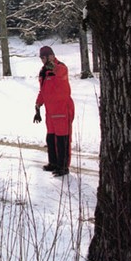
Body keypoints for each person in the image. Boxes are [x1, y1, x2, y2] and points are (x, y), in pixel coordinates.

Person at [33, 46, 75, 177]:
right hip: (50, 112)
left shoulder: (60, 67)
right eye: (41, 58)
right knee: (51, 138)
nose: (42, 60)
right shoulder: (43, 71)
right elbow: (43, 90)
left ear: (51, 56)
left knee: (62, 139)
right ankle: (53, 163)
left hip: (62, 109)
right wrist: (38, 106)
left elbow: (61, 73)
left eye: (44, 57)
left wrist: (53, 67)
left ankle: (63, 166)